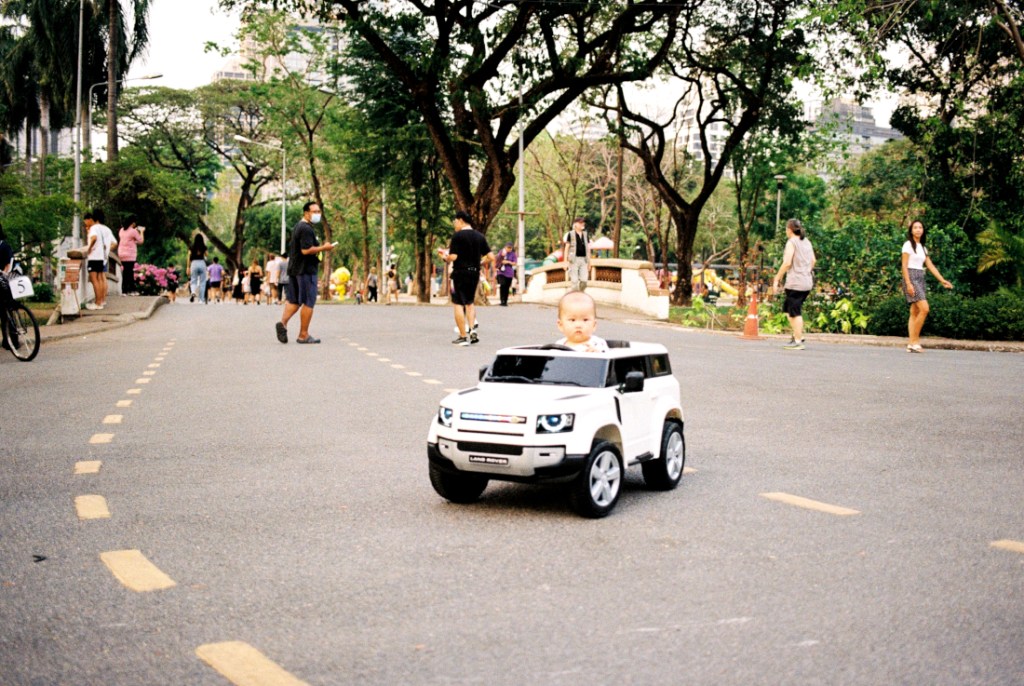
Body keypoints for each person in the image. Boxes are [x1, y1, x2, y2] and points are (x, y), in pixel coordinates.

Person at [277, 201, 334, 344]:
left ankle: (282, 323)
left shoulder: (298, 226)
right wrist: (324, 248)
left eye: (319, 211)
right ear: (306, 213)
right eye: (314, 212)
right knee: (309, 302)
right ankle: (303, 334)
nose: (317, 214)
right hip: (305, 271)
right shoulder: (306, 228)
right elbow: (306, 250)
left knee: (294, 301)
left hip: (295, 269)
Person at [438, 210, 493, 346]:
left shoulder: (458, 236)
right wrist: (480, 263)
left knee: (458, 303)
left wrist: (445, 257)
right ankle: (472, 330)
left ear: (461, 220)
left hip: (460, 273)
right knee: (470, 303)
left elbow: (454, 257)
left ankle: (463, 336)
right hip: (474, 273)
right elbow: (491, 257)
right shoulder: (479, 236)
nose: (454, 224)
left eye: (455, 221)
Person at [901, 219, 953, 353]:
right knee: (925, 309)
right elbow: (904, 266)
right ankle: (915, 341)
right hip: (911, 277)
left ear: (923, 230)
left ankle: (911, 343)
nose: (918, 229)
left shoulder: (923, 248)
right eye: (915, 227)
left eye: (920, 227)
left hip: (920, 277)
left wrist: (942, 280)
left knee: (914, 312)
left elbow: (930, 266)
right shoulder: (908, 245)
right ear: (911, 231)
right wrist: (908, 283)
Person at [772, 218, 816, 350]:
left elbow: (787, 263)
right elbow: (813, 261)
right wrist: (805, 272)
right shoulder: (806, 241)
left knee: (795, 312)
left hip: (796, 283)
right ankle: (797, 335)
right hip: (806, 281)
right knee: (788, 309)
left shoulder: (791, 242)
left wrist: (777, 278)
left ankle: (798, 341)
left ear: (789, 230)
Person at [83, 210, 117, 310]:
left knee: (95, 280)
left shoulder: (94, 228)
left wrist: (89, 249)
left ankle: (97, 303)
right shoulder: (106, 229)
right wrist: (106, 251)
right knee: (101, 278)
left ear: (92, 219)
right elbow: (115, 243)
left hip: (94, 257)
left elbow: (94, 238)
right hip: (102, 257)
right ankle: (102, 300)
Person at [562, 217, 591, 291]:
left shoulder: (585, 234)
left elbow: (588, 249)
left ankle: (580, 293)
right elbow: (566, 249)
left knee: (584, 281)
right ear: (575, 224)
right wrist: (565, 262)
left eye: (583, 222)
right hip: (573, 260)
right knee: (574, 281)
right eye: (580, 223)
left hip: (584, 260)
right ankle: (575, 295)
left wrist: (589, 263)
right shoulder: (570, 234)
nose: (582, 224)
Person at [117, 216, 144, 296]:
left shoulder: (121, 230)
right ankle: (132, 290)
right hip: (130, 254)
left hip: (122, 253)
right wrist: (141, 232)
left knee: (126, 272)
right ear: (133, 223)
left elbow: (128, 239)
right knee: (129, 272)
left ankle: (124, 291)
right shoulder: (133, 231)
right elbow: (141, 241)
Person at [188, 233, 208, 303]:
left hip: (194, 263)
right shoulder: (204, 246)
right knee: (202, 282)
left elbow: (188, 257)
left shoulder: (191, 247)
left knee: (193, 279)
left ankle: (193, 291)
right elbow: (206, 255)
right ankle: (201, 299)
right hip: (202, 263)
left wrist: (188, 267)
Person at [496, 242, 517, 306]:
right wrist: (501, 257)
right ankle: (502, 300)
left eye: (510, 248)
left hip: (509, 273)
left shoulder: (513, 254)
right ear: (505, 247)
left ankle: (505, 301)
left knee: (507, 287)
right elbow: (497, 259)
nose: (509, 249)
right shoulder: (501, 252)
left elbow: (514, 263)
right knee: (502, 285)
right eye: (508, 247)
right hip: (501, 272)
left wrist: (508, 262)